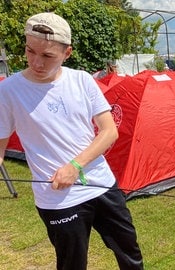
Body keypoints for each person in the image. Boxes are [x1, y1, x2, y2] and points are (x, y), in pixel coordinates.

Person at [0, 12, 143, 269]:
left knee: (130, 254)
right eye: (30, 51)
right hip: (57, 198)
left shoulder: (82, 80)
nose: (36, 62)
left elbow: (109, 131)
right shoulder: (8, 91)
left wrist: (74, 167)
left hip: (101, 184)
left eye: (47, 56)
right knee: (72, 264)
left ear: (67, 54)